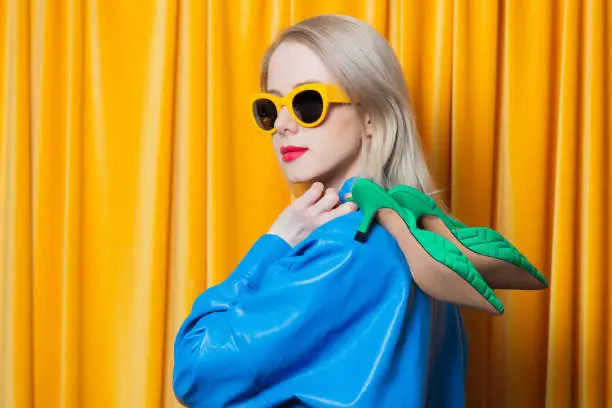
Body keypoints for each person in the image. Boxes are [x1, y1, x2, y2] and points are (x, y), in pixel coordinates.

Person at [173, 14, 471, 407]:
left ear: (371, 114)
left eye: (306, 103)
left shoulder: (346, 247)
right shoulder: (423, 239)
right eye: (270, 107)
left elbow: (195, 369)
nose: (282, 124)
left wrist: (273, 245)